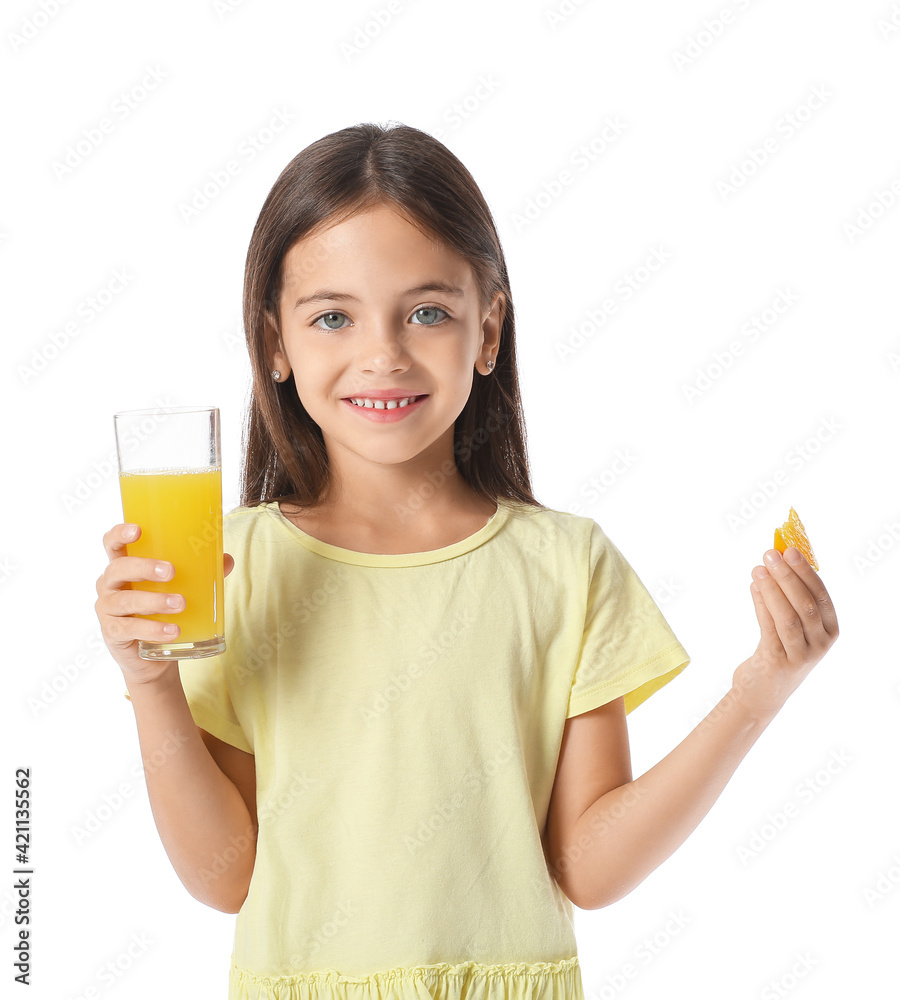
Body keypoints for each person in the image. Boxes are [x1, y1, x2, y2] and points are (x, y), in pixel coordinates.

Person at [94, 122, 839, 1000]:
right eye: (333, 316)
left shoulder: (566, 566)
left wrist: (758, 693)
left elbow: (588, 867)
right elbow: (224, 877)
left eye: (428, 312)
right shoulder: (232, 564)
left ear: (488, 332)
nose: (384, 353)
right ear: (275, 349)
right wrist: (151, 686)